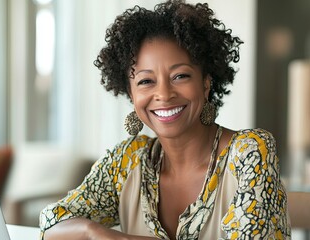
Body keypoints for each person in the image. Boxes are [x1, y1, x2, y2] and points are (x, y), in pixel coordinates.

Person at [39, 0, 291, 239]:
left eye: (180, 76)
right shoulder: (127, 162)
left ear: (206, 83)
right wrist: (97, 234)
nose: (163, 94)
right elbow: (51, 223)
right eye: (146, 81)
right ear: (131, 94)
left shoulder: (249, 152)